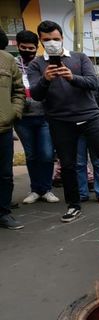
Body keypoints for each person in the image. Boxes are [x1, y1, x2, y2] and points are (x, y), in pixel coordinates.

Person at [28, 20, 99, 222]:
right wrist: (45, 79)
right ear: (41, 41)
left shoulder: (79, 57)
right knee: (68, 165)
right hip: (60, 121)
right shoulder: (36, 64)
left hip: (89, 115)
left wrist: (72, 77)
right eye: (47, 40)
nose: (52, 43)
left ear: (62, 38)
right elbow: (36, 94)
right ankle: (73, 205)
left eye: (56, 39)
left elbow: (94, 82)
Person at [13, 30, 60, 205]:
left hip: (44, 115)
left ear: (37, 47)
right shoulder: (13, 64)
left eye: (31, 48)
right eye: (23, 48)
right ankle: (35, 189)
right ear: (18, 46)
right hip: (22, 118)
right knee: (31, 155)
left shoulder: (43, 63)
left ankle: (47, 189)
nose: (27, 51)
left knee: (47, 155)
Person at [0, 27, 26, 229]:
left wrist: (13, 113)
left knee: (4, 173)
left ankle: (3, 212)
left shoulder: (7, 60)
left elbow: (18, 90)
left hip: (3, 128)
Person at [75, 75, 99, 204]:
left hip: (96, 128)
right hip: (78, 128)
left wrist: (97, 115)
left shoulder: (97, 81)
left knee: (98, 163)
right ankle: (82, 192)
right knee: (79, 163)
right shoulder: (72, 82)